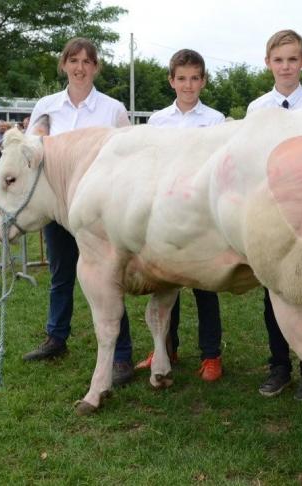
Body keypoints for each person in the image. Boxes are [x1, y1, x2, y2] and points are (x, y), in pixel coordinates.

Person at [0, 38, 131, 383]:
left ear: (95, 67)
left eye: (87, 61)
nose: (80, 67)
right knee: (61, 274)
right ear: (64, 64)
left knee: (109, 279)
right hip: (56, 205)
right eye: (74, 60)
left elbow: (129, 157)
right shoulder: (46, 107)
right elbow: (26, 157)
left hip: (99, 212)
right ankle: (56, 337)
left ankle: (123, 355)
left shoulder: (113, 108)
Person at [117, 48, 226, 382]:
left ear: (203, 81)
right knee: (164, 285)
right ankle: (164, 348)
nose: (188, 85)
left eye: (194, 78)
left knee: (205, 287)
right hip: (165, 213)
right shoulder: (157, 122)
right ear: (171, 81)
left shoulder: (216, 121)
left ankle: (211, 355)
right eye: (182, 78)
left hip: (202, 215)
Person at [246, 29, 302, 401]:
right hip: (273, 213)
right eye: (278, 60)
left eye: (292, 59)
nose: (285, 66)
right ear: (268, 63)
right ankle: (279, 365)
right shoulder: (256, 109)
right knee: (274, 293)